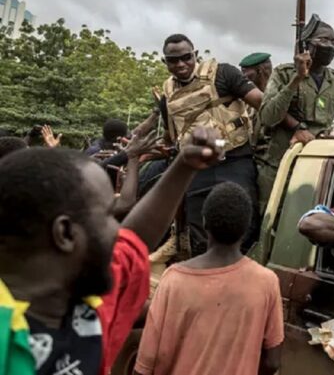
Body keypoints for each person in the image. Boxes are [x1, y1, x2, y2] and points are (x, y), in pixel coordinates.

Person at [0, 128, 222, 375]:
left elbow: (134, 240)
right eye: (107, 216)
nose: (118, 231)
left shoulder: (77, 306)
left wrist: (185, 165)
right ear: (64, 233)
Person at [135, 182, 283, 375]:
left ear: (204, 222)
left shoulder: (174, 280)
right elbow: (272, 362)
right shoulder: (267, 281)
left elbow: (146, 363)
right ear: (247, 226)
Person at [157, 34, 264, 255]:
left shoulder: (224, 73)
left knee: (245, 221)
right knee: (200, 229)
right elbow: (171, 131)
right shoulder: (166, 92)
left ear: (195, 55)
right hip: (197, 168)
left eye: (186, 57)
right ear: (165, 62)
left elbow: (262, 103)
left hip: (234, 159)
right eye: (173, 60)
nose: (180, 64)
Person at [259, 14, 334, 212]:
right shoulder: (284, 73)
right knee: (271, 222)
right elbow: (268, 116)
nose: (329, 46)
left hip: (318, 169)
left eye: (333, 41)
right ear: (307, 46)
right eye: (323, 40)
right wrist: (297, 78)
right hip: (281, 167)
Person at [240, 52, 276, 215]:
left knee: (265, 211)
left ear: (260, 70)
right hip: (251, 163)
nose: (243, 76)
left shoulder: (276, 98)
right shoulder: (246, 100)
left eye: (246, 71)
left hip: (270, 166)